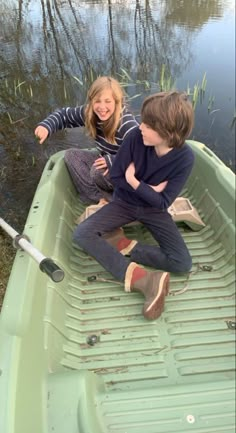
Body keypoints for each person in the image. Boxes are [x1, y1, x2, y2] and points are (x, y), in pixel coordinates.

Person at [73, 91, 195, 320]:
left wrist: (135, 182)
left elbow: (163, 201)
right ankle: (145, 280)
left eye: (148, 125)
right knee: (81, 234)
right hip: (124, 204)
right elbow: (117, 178)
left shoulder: (185, 158)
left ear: (167, 132)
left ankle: (123, 243)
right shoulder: (134, 139)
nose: (140, 127)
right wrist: (148, 189)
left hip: (154, 211)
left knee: (182, 262)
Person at [35, 76, 139, 205]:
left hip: (130, 172)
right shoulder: (91, 113)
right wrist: (46, 126)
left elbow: (143, 153)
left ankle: (121, 201)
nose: (102, 107)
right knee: (71, 155)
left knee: (98, 172)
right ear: (91, 101)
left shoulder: (126, 124)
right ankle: (98, 198)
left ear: (117, 102)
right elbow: (64, 115)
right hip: (109, 164)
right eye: (97, 101)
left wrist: (113, 161)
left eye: (108, 101)